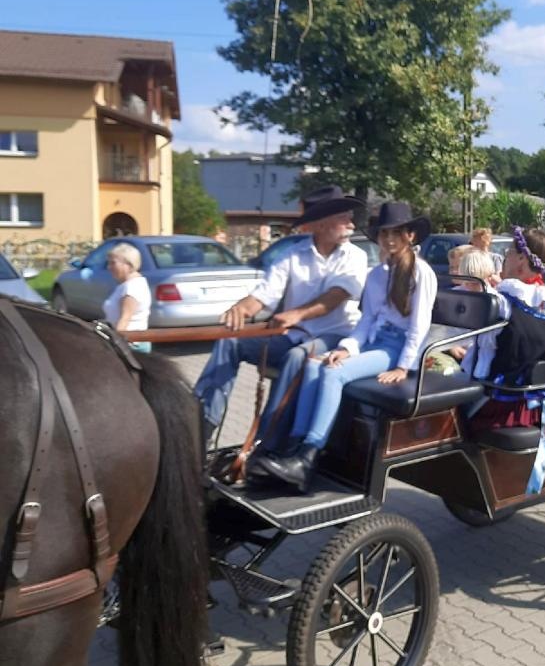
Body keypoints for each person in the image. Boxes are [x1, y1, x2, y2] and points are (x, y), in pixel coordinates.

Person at [250, 202, 438, 490]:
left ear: (410, 236)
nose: (389, 240)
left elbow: (419, 326)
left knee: (334, 374)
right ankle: (294, 447)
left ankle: (308, 456)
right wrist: (347, 348)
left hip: (396, 349)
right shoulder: (376, 276)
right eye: (384, 233)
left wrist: (403, 366)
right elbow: (365, 324)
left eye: (396, 233)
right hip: (375, 342)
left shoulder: (421, 273)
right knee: (316, 364)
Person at [193, 184, 368, 446]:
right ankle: (201, 426)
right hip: (293, 336)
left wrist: (297, 314)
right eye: (343, 216)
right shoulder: (291, 255)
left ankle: (265, 442)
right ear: (321, 223)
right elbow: (263, 295)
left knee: (296, 358)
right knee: (229, 342)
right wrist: (240, 309)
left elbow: (337, 295)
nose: (351, 222)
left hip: (334, 336)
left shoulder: (356, 256)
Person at [462, 227, 545, 430]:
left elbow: (480, 366)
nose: (504, 257)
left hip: (507, 405)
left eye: (508, 252)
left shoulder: (502, 303)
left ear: (521, 260)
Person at [102, 243, 152, 353]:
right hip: (126, 341)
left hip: (131, 345)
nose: (109, 267)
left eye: (113, 263)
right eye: (108, 263)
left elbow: (124, 320)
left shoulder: (132, 288)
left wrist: (114, 344)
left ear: (128, 265)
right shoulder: (126, 285)